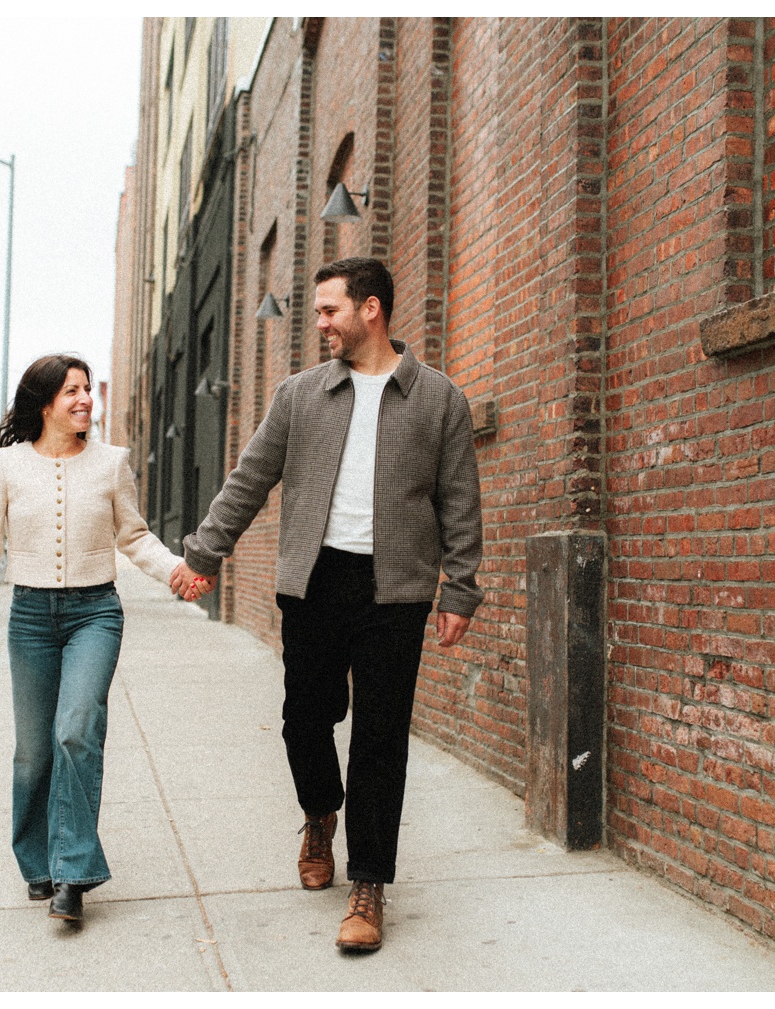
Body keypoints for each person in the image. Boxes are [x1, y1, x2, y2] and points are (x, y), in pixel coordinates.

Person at [173, 257, 483, 952]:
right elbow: (249, 478)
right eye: (315, 311)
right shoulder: (300, 395)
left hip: (396, 588)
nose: (320, 324)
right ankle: (320, 812)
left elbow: (460, 502)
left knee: (379, 736)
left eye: (328, 310)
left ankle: (369, 884)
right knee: (303, 719)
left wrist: (459, 587)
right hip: (314, 581)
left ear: (370, 309)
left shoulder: (438, 399)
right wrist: (203, 553)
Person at [0, 353, 195, 924]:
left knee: (76, 732)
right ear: (44, 404)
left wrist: (177, 572)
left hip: (95, 614)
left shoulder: (112, 464)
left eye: (88, 389)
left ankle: (73, 874)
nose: (86, 399)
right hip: (32, 618)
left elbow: (134, 537)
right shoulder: (6, 465)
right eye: (72, 391)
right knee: (32, 755)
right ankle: (37, 864)